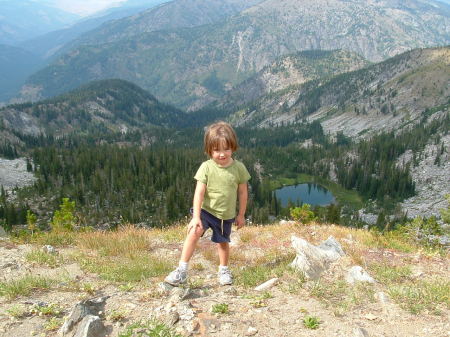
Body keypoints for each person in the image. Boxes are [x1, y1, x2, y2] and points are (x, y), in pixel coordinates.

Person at [165, 121, 250, 286]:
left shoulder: (239, 168)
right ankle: (181, 270)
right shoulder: (206, 167)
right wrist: (196, 217)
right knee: (194, 232)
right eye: (216, 150)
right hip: (206, 211)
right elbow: (199, 192)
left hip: (226, 215)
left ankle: (223, 270)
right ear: (209, 150)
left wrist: (241, 215)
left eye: (226, 149)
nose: (222, 154)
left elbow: (243, 192)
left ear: (233, 147)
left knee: (223, 242)